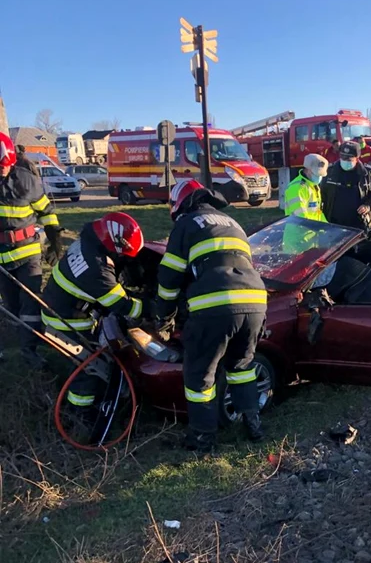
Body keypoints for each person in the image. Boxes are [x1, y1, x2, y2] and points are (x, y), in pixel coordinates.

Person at [155, 180, 267, 453]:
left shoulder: (187, 224)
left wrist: (165, 316)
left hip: (215, 305)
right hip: (255, 301)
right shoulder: (231, 222)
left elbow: (169, 277)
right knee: (241, 368)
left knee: (200, 376)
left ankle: (203, 439)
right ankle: (253, 424)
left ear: (179, 204)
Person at [42, 212, 144, 409]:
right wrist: (151, 306)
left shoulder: (89, 242)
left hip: (63, 307)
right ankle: (81, 413)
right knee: (91, 369)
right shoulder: (96, 268)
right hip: (66, 322)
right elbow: (124, 306)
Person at [0, 131, 63, 366]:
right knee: (11, 304)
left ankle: (30, 349)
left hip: (27, 252)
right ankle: (17, 341)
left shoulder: (26, 181)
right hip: (1, 257)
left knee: (30, 301)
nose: (2, 171)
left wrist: (54, 241)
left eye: (5, 166)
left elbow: (46, 213)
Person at [321, 141, 371, 229]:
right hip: (333, 222)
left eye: (349, 159)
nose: (345, 161)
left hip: (357, 223)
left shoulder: (367, 173)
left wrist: (368, 206)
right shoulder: (330, 172)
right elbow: (321, 193)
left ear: (357, 158)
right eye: (342, 158)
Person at [284, 153, 328, 221]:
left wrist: (327, 227)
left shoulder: (314, 186)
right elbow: (300, 218)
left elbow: (318, 213)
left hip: (312, 230)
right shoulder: (296, 188)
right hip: (298, 231)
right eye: (316, 174)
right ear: (307, 169)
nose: (319, 177)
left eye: (321, 175)